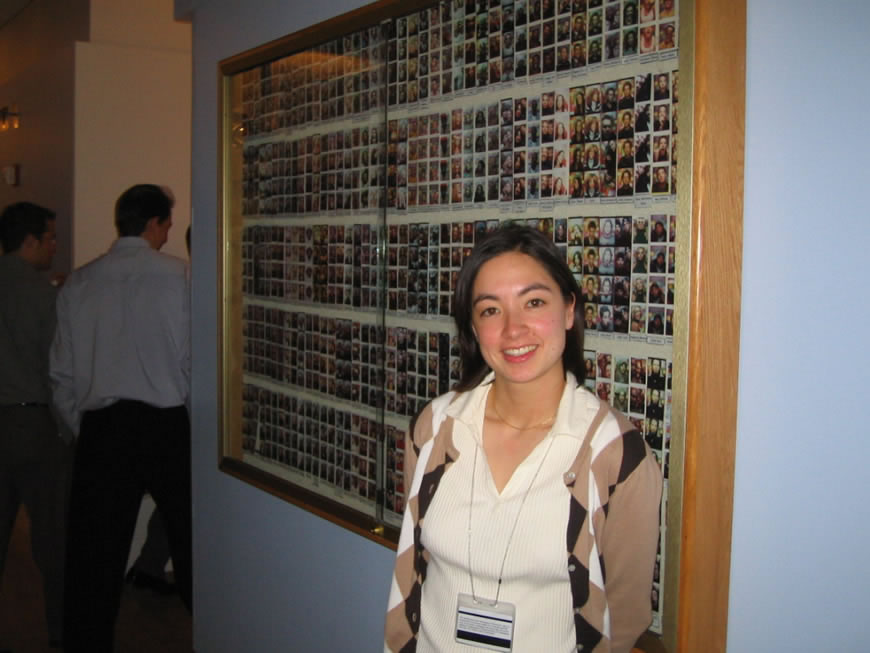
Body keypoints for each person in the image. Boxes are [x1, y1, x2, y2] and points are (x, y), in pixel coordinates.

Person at [384, 224, 662, 652]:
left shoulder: (617, 455)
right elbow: (414, 572)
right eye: (490, 310)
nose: (513, 330)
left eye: (534, 302)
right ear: (473, 327)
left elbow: (623, 620)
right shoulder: (435, 429)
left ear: (568, 310)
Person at [50, 184, 192, 651]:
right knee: (193, 544)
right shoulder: (180, 277)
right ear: (152, 224)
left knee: (94, 557)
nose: (168, 234)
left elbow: (62, 373)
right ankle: (219, 636)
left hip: (103, 428)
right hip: (166, 424)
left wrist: (85, 427)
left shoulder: (80, 282)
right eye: (166, 225)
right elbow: (192, 362)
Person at [0, 202, 71, 648]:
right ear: (29, 241)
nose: (54, 246)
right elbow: (56, 369)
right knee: (52, 538)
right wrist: (68, 426)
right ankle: (61, 634)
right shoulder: (43, 295)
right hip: (31, 421)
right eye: (50, 238)